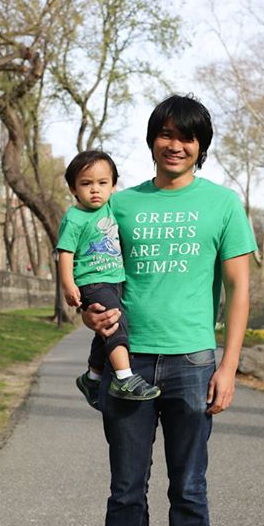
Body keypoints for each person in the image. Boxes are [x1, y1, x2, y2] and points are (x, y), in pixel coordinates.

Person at [80, 95, 257, 526]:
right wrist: (91, 312)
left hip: (193, 362)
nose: (174, 145)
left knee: (189, 485)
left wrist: (228, 366)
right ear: (152, 139)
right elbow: (96, 270)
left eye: (186, 137)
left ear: (200, 146)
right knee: (126, 487)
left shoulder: (222, 204)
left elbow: (239, 290)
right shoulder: (120, 205)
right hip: (128, 362)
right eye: (166, 134)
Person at [57, 150, 160, 406]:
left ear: (113, 186)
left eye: (102, 183)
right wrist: (68, 285)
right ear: (73, 189)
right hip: (92, 281)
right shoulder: (75, 218)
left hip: (115, 280)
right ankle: (124, 377)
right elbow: (65, 253)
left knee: (103, 328)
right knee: (115, 320)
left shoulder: (110, 208)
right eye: (86, 184)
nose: (95, 190)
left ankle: (92, 377)